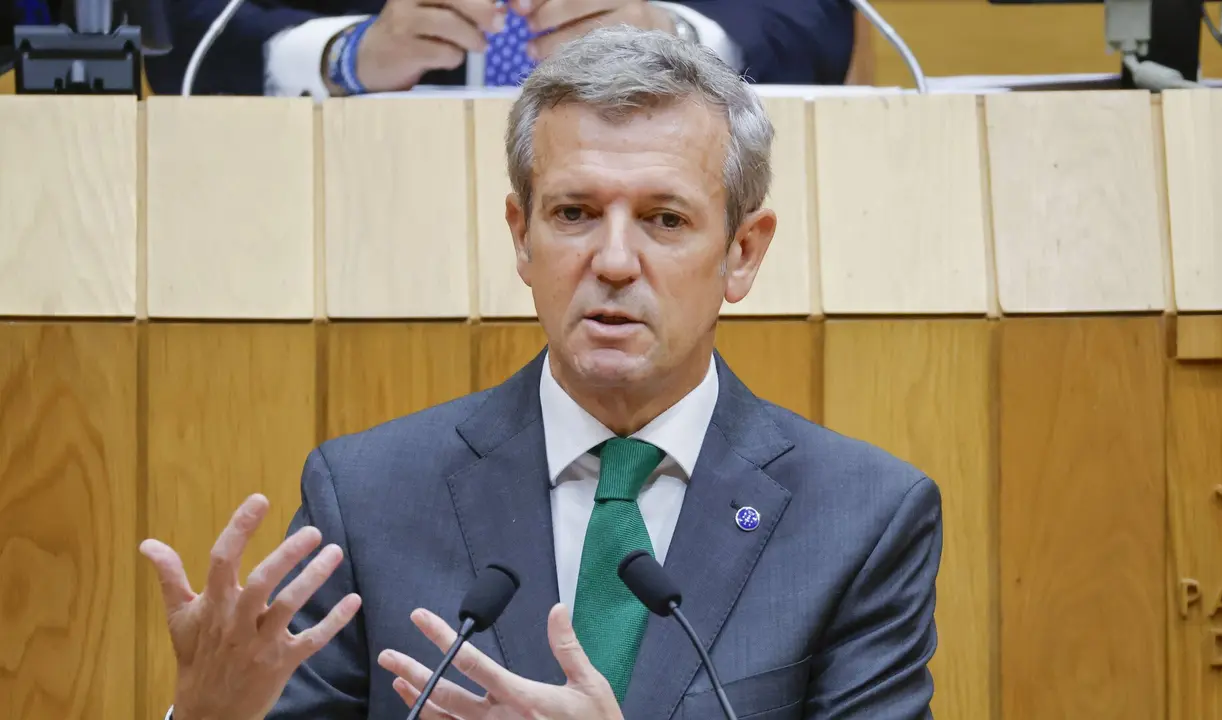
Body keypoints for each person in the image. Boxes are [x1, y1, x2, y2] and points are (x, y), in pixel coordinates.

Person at [142, 26, 942, 720]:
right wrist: (210, 713)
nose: (616, 261)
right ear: (522, 237)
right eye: (574, 214)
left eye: (666, 220)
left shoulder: (858, 520)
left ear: (743, 252)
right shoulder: (371, 498)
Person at [144, 0, 856, 97]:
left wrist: (676, 38)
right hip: (363, 220)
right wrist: (345, 54)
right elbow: (179, 30)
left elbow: (814, 19)